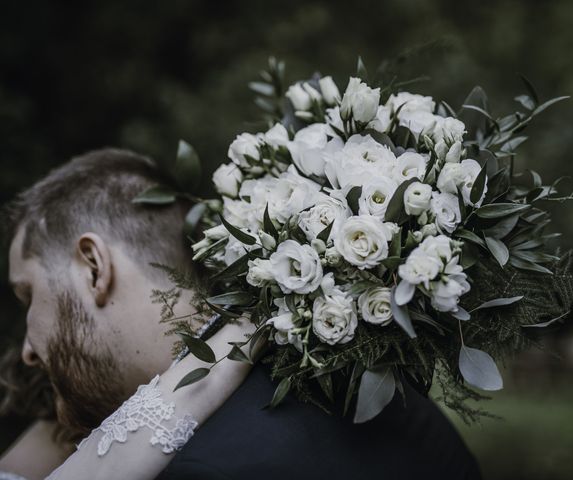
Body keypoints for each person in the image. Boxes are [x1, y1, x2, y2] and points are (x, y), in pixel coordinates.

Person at [0, 149, 482, 479]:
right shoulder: (377, 393)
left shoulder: (206, 469)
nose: (25, 350)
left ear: (92, 267)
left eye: (28, 296)